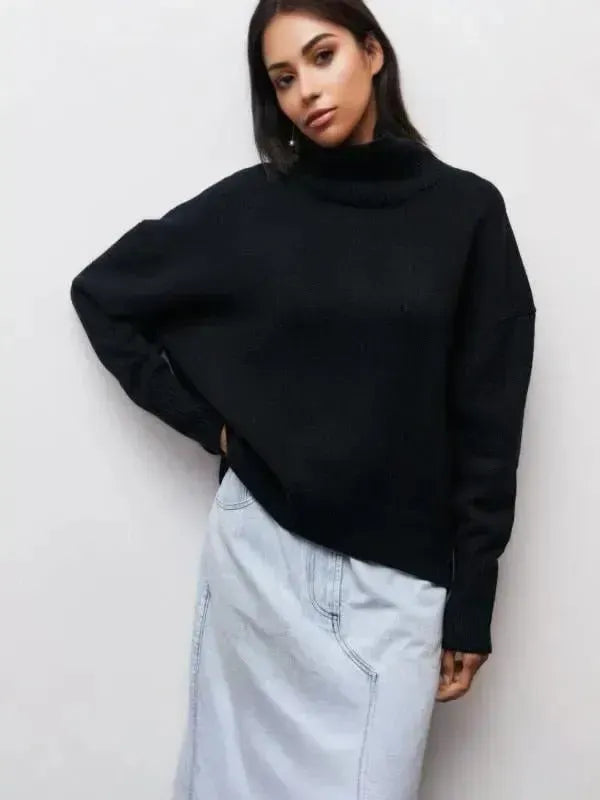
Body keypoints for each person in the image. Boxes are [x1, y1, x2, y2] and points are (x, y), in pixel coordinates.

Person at [69, 1, 536, 798]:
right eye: (282, 79)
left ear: (373, 52)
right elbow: (104, 292)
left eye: (323, 57)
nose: (306, 92)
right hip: (261, 562)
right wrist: (213, 430)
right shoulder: (254, 205)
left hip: (398, 574)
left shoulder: (466, 213)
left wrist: (473, 598)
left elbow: (489, 417)